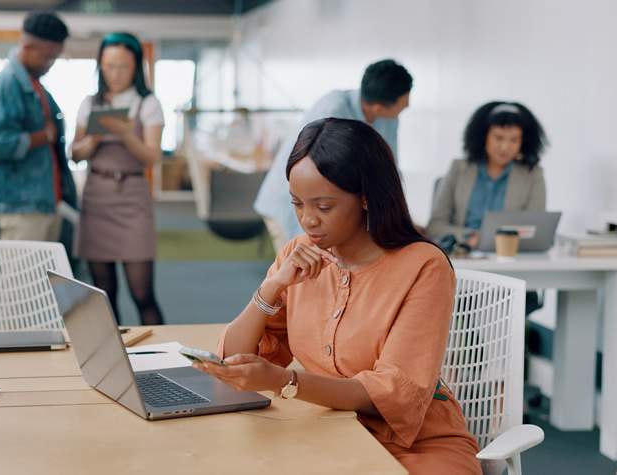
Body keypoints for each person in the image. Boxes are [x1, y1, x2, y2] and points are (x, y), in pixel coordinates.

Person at [196, 118, 482, 474]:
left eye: (324, 206)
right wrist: (271, 288)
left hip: (416, 445)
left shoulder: (423, 267)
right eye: (297, 204)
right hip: (327, 430)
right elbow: (234, 360)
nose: (307, 220)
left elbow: (393, 395)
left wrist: (284, 382)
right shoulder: (297, 255)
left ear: (365, 197)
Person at [254, 59, 412, 252]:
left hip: (329, 206)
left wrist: (401, 221)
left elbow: (389, 170)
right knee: (301, 269)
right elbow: (319, 176)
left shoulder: (389, 117)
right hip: (293, 200)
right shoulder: (333, 111)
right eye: (405, 102)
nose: (408, 105)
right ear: (379, 107)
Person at [70, 32, 165, 326]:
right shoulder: (90, 102)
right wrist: (96, 136)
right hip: (97, 197)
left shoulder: (147, 103)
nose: (115, 73)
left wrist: (125, 134)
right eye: (109, 65)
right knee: (104, 294)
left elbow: (152, 157)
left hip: (132, 196)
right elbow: (75, 153)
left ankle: (164, 356)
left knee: (142, 293)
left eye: (123, 66)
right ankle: (111, 360)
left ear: (137, 66)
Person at [0, 11, 76, 241]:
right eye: (48, 57)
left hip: (42, 202)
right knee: (20, 277)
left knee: (43, 277)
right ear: (28, 46)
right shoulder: (8, 83)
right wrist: (42, 136)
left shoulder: (34, 85)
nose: (50, 64)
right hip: (21, 206)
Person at [427, 101, 548, 247]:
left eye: (514, 140)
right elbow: (435, 227)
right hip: (461, 256)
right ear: (484, 137)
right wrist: (469, 237)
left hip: (508, 259)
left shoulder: (533, 175)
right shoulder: (458, 169)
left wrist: (492, 239)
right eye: (498, 138)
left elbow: (535, 230)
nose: (505, 147)